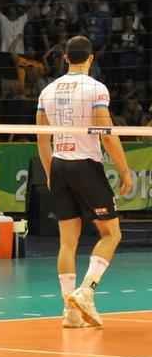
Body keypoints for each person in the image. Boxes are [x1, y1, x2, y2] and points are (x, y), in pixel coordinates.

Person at [36, 35, 134, 328]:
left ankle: (70, 313)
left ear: (65, 57)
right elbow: (106, 131)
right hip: (85, 166)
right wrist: (125, 170)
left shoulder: (47, 91)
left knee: (68, 243)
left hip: (60, 166)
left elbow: (41, 138)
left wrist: (51, 172)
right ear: (90, 58)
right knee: (111, 234)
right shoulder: (95, 88)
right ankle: (86, 292)